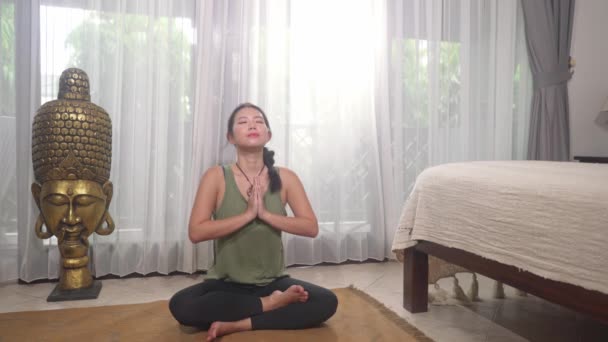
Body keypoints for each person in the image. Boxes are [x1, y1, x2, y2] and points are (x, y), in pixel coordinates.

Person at [169, 103, 338, 340]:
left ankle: (239, 324)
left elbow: (310, 227)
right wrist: (247, 215)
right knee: (181, 305)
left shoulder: (286, 177)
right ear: (231, 137)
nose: (251, 124)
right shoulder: (216, 177)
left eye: (258, 121)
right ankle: (270, 305)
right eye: (243, 121)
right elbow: (196, 232)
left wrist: (266, 215)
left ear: (268, 134)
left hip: (273, 281)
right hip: (226, 283)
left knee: (326, 302)